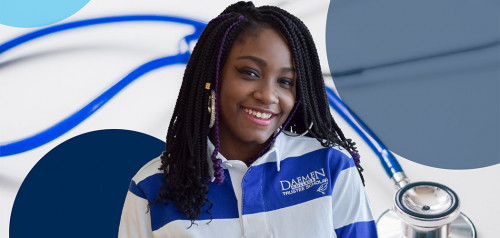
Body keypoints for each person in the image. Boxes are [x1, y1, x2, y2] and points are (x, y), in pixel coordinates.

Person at [119, 1, 377, 237]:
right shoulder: (150, 187)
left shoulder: (331, 166)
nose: (268, 95)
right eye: (250, 73)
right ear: (213, 77)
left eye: (286, 81)